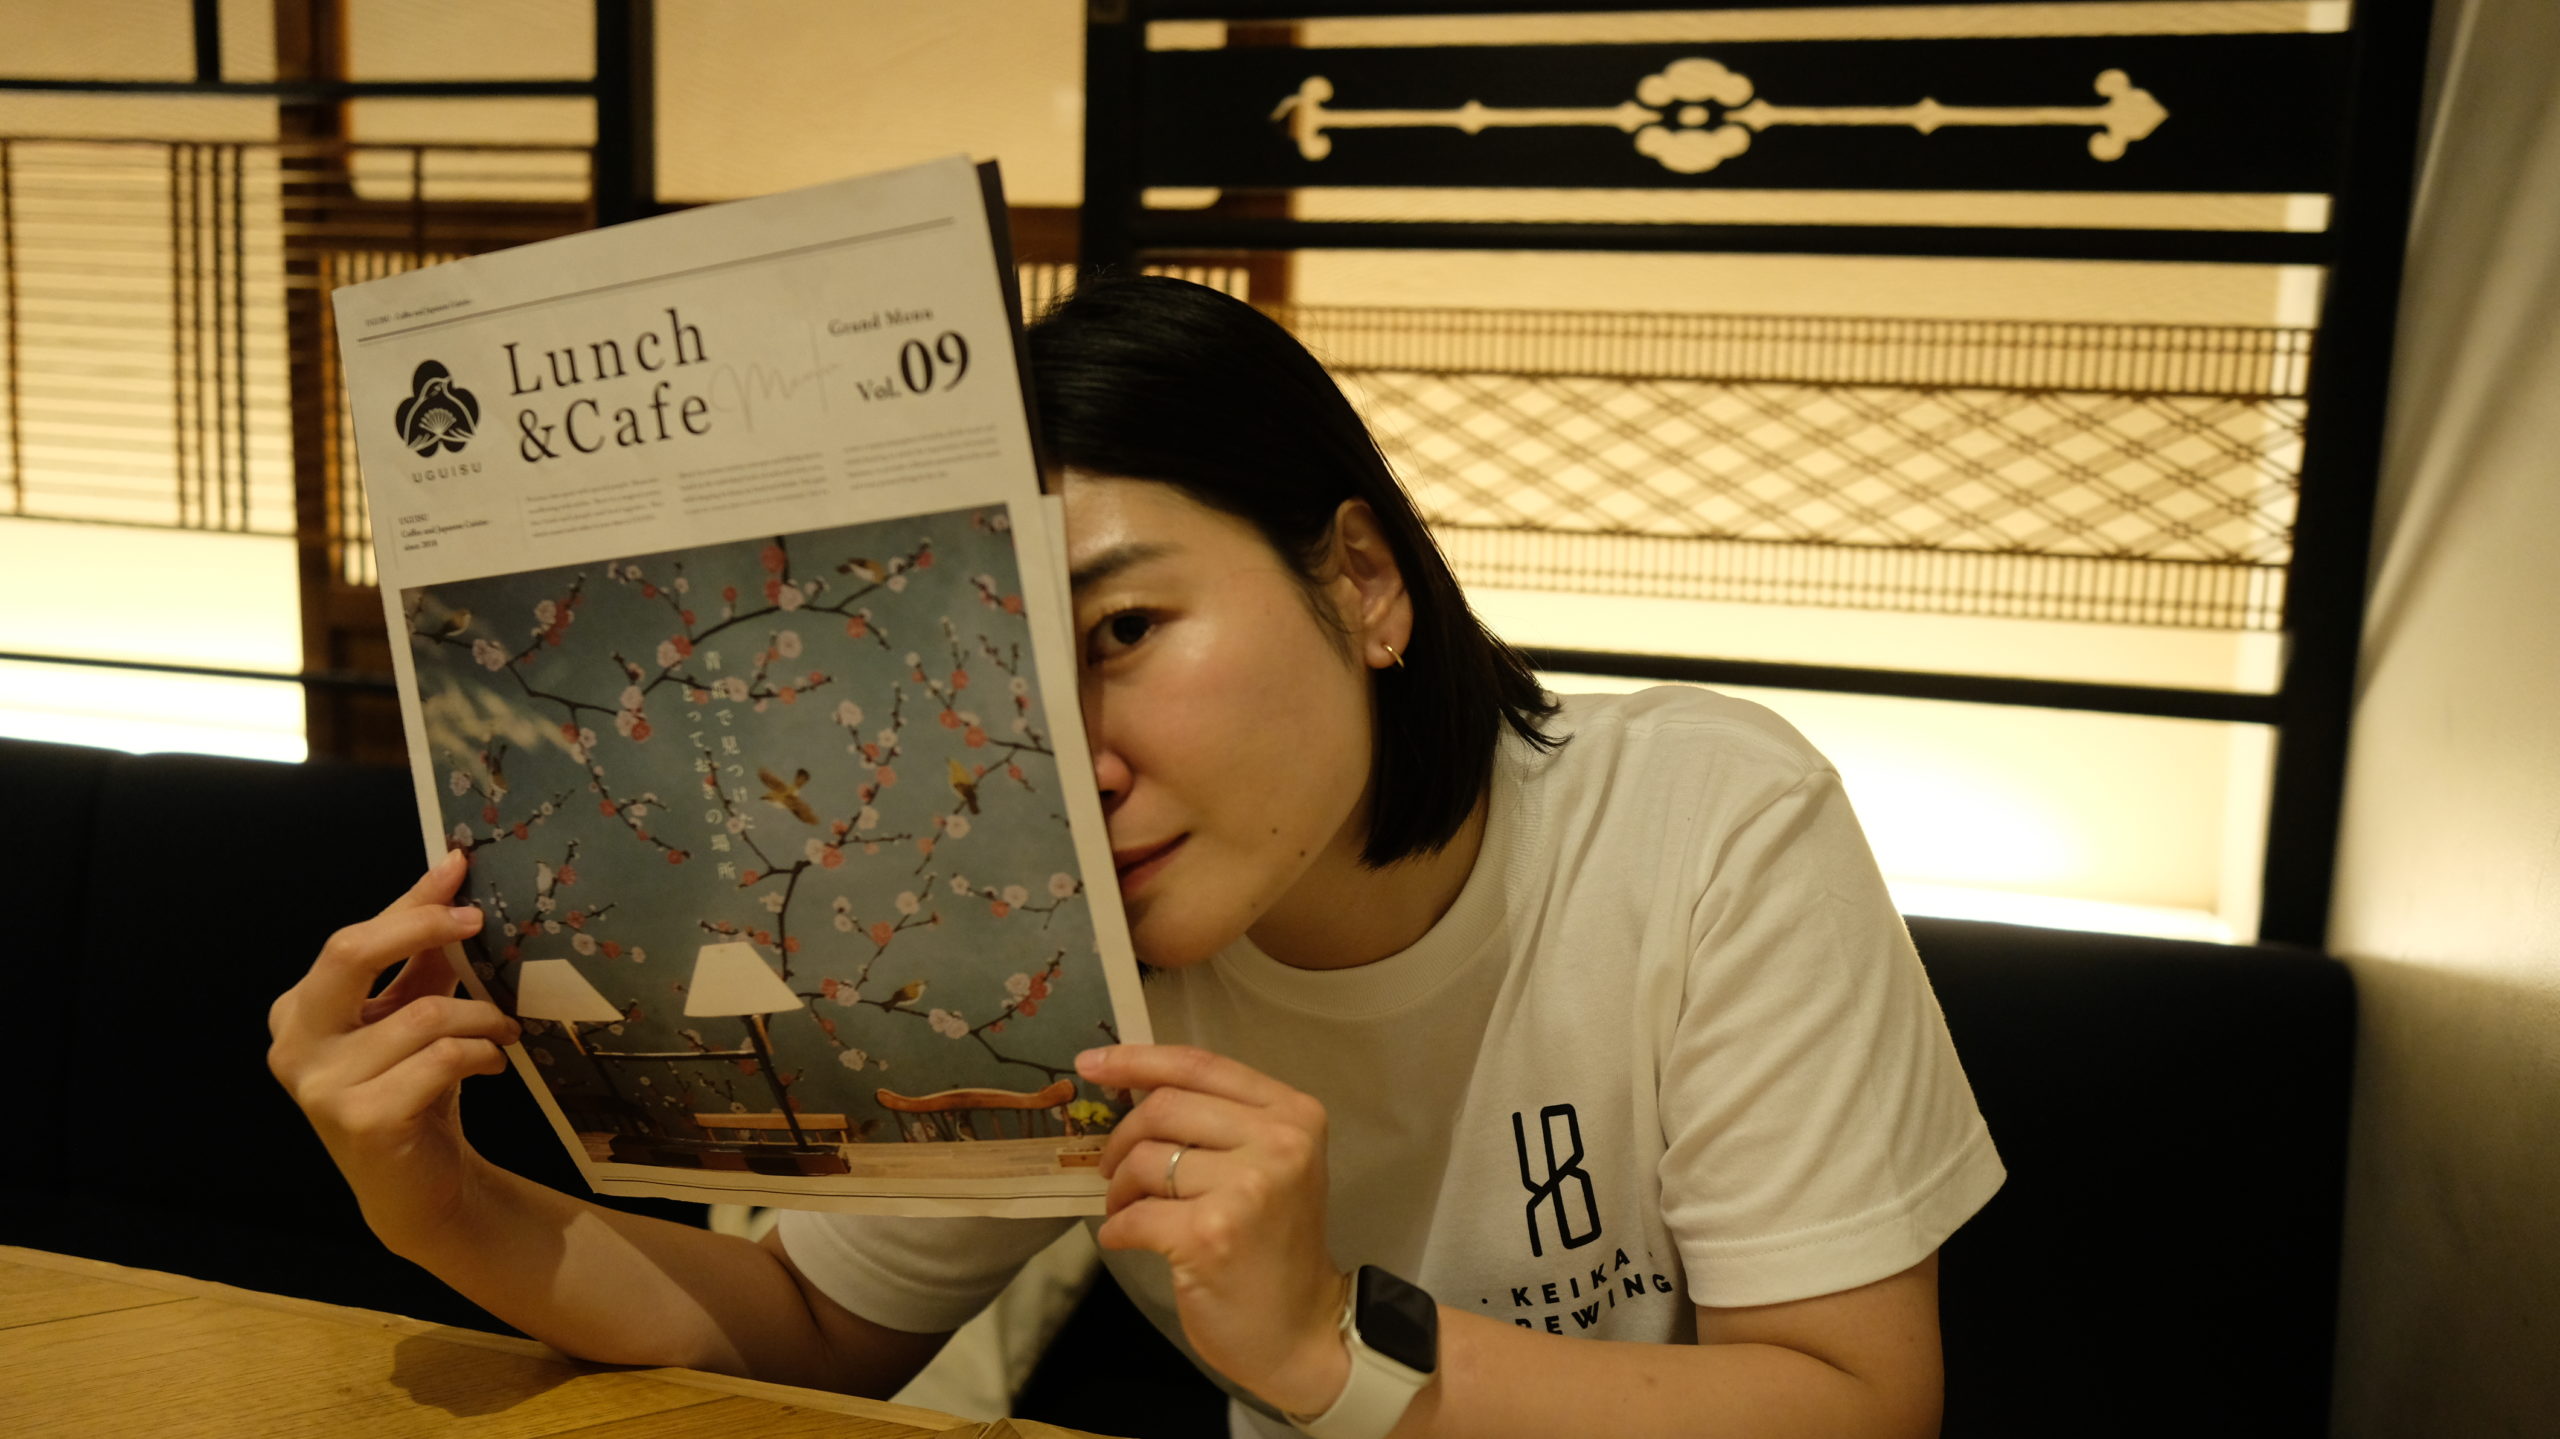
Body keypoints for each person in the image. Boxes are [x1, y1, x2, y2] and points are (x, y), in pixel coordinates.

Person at [270, 275, 2003, 1439]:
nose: (1070, 758)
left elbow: (1856, 1401)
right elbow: (813, 1331)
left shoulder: (1698, 826)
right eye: (1002, 680)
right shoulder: (1047, 930)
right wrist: (442, 1198)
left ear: (1365, 581)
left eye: (1122, 632)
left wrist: (1331, 1340)